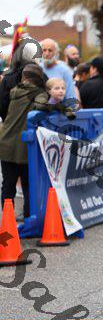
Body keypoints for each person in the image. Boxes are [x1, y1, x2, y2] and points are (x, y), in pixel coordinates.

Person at [0, 63, 49, 219]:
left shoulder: (15, 92)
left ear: (24, 78)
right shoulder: (39, 94)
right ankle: (28, 217)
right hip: (24, 146)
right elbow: (41, 106)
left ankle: (7, 219)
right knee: (28, 183)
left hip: (6, 143)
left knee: (8, 184)